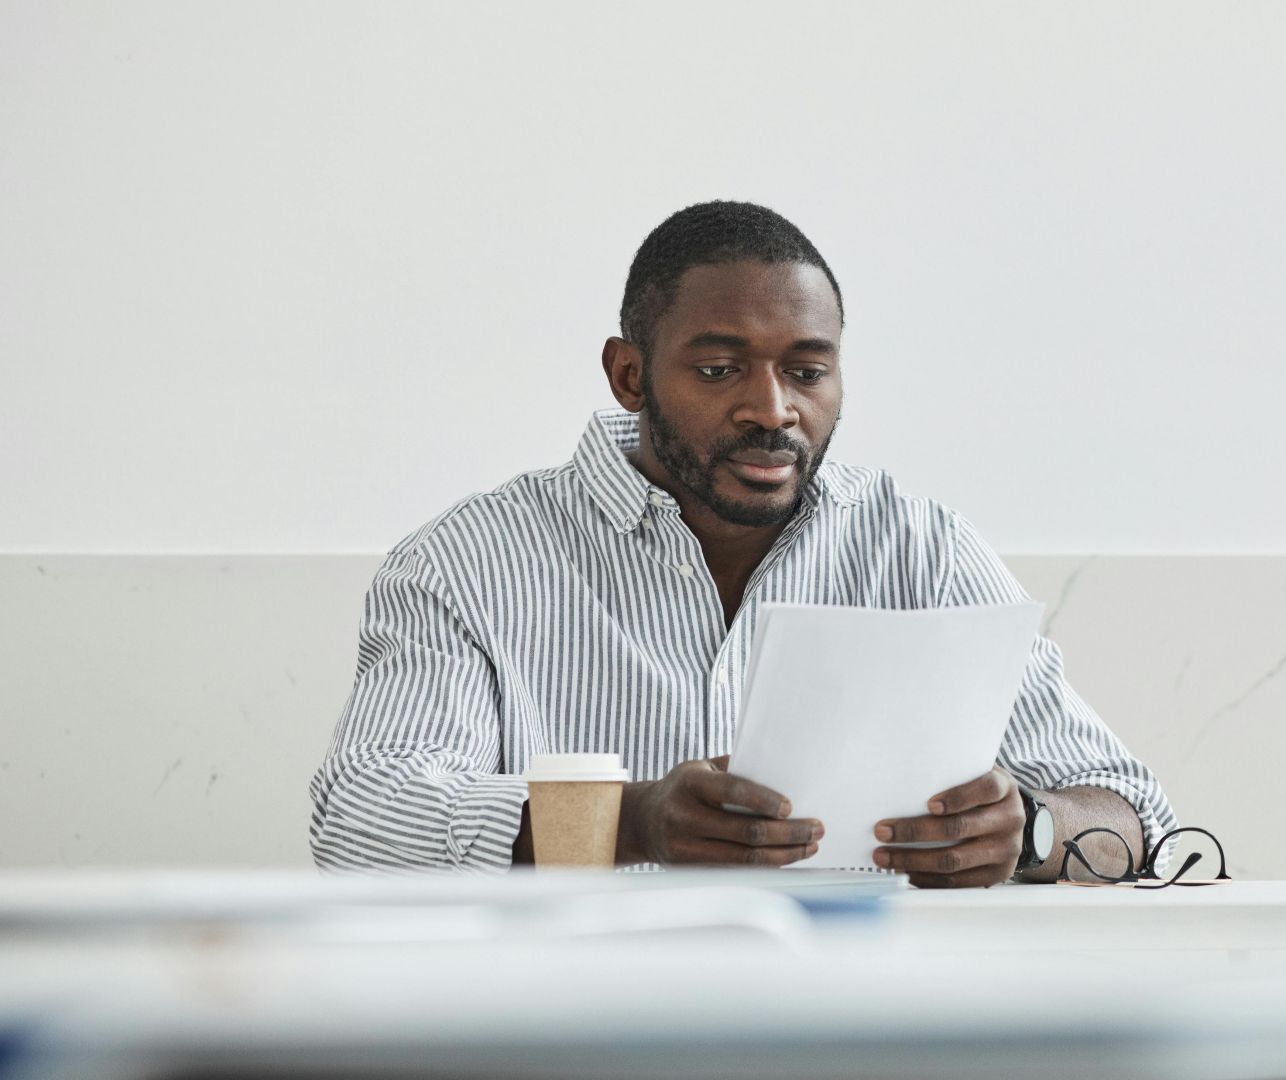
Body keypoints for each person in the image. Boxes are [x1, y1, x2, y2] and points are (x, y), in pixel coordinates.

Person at [308, 201, 1175, 887]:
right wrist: (630, 822)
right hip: (571, 1034)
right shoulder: (466, 564)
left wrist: (1034, 827)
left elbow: (1137, 811)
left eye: (807, 370)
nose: (773, 409)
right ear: (629, 375)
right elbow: (362, 817)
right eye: (720, 369)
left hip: (873, 1034)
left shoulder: (921, 549)